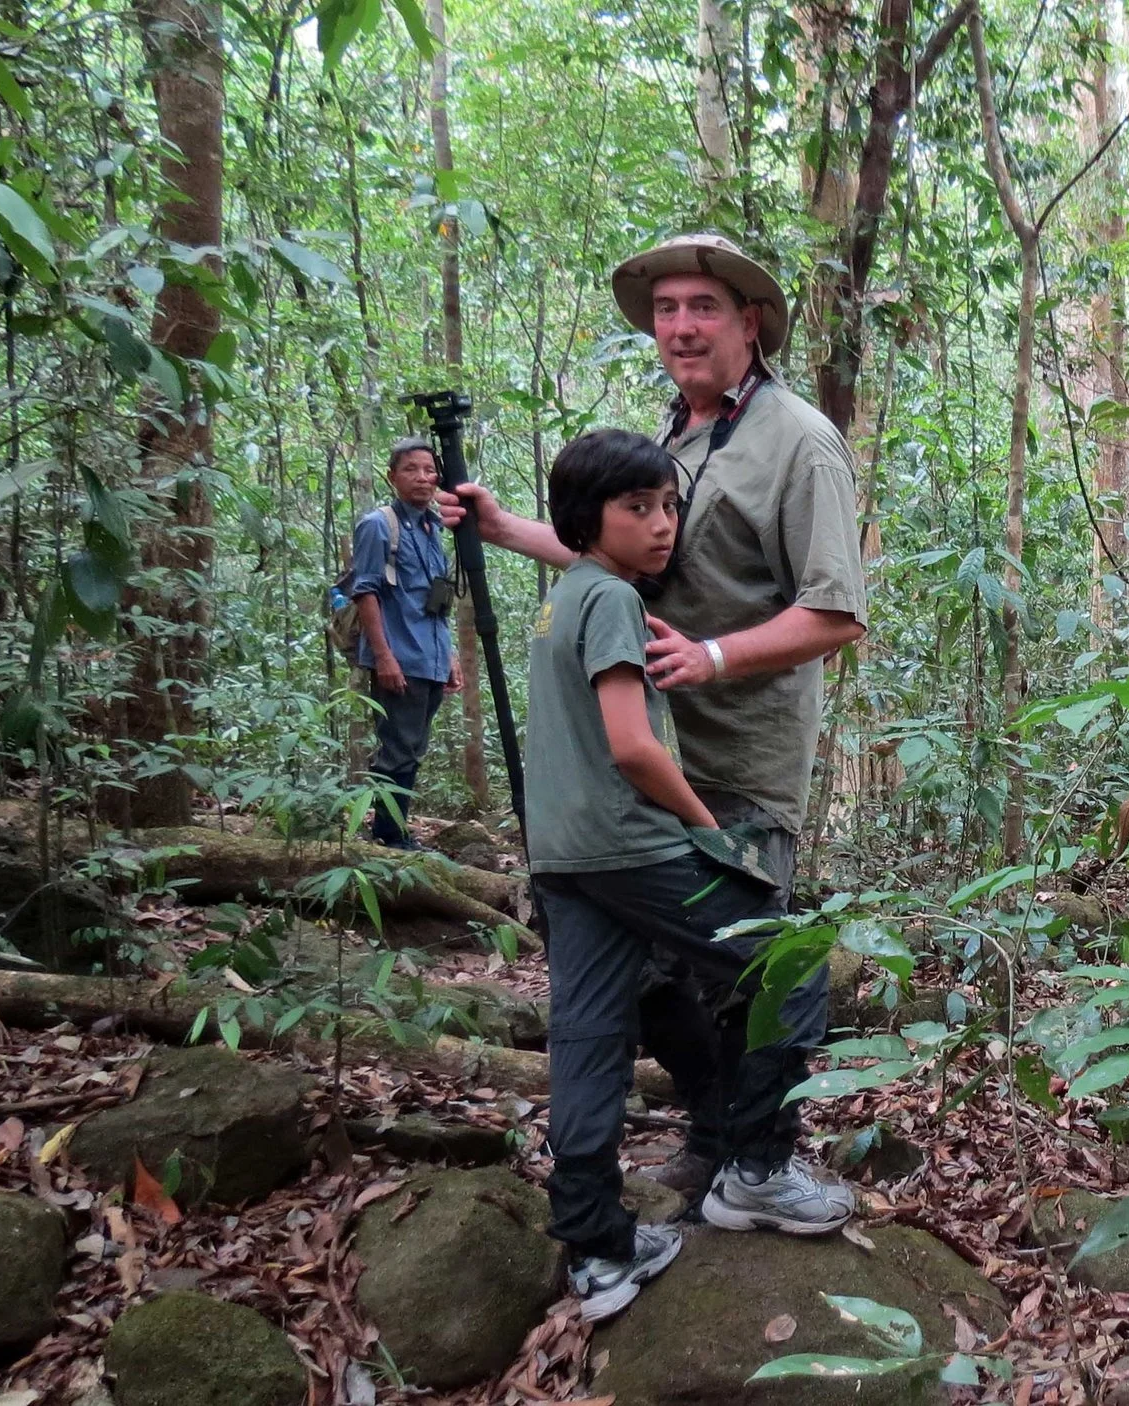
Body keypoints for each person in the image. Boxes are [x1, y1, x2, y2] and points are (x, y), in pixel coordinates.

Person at [441, 234, 865, 1203]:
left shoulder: (797, 439)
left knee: (756, 963)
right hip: (643, 764)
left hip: (743, 762)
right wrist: (509, 530)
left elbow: (836, 609)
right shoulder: (675, 437)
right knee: (651, 981)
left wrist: (710, 655)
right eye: (666, 308)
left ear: (748, 323)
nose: (680, 325)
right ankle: (719, 1135)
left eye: (702, 307)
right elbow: (620, 551)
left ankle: (759, 1155)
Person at [529, 428, 850, 1323]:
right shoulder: (613, 604)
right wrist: (708, 830)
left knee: (589, 1035)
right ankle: (757, 1169)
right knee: (790, 959)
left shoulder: (565, 599)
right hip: (632, 844)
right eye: (639, 509)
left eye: (670, 505)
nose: (663, 525)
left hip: (562, 858)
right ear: (589, 518)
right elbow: (633, 746)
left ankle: (597, 1246)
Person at [351, 436, 463, 849]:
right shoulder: (379, 525)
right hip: (399, 657)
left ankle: (395, 829)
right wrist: (384, 657)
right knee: (397, 749)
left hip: (428, 657)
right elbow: (365, 592)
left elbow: (436, 599)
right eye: (411, 469)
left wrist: (450, 658)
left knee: (412, 748)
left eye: (429, 470)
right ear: (392, 475)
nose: (422, 478)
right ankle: (387, 837)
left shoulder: (433, 527)